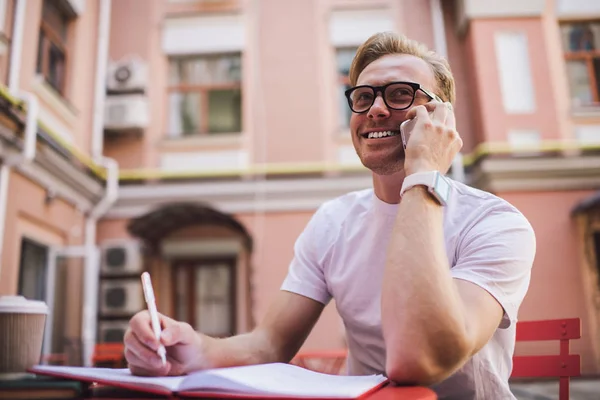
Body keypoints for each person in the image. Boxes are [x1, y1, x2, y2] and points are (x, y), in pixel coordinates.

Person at [123, 31, 535, 400]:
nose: (375, 109)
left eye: (400, 94)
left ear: (442, 118)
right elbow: (269, 343)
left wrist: (423, 176)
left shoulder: (496, 223)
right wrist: (188, 349)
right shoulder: (333, 221)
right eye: (363, 96)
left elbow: (418, 360)